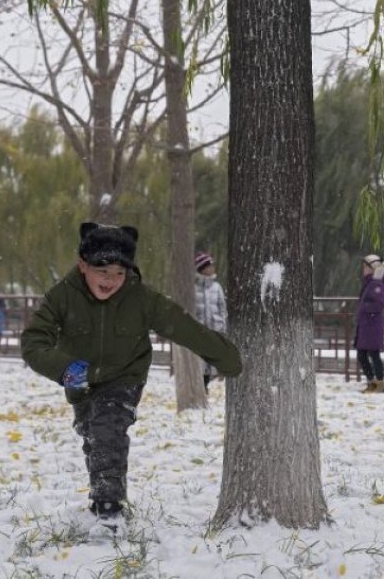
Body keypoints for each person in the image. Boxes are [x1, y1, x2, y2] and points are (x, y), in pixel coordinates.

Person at [21, 222, 241, 534]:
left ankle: (108, 508)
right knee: (92, 432)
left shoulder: (140, 298)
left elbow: (183, 326)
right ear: (83, 265)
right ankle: (103, 486)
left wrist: (226, 359)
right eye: (103, 271)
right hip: (79, 380)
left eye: (119, 273)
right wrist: (64, 368)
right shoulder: (62, 297)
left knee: (108, 426)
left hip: (125, 376)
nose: (111, 280)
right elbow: (33, 342)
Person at [354, 254, 384, 393]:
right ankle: (373, 383)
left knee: (372, 354)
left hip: (371, 324)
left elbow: (378, 304)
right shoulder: (370, 282)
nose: (363, 269)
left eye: (365, 267)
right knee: (364, 354)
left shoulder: (376, 284)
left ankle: (379, 384)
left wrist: (363, 307)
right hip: (367, 324)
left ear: (373, 268)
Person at [194, 250, 228, 392]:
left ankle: (207, 385)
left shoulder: (216, 287)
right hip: (200, 330)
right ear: (202, 268)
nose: (212, 269)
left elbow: (222, 308)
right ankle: (202, 387)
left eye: (212, 266)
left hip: (215, 329)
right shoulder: (194, 288)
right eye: (209, 266)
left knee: (211, 361)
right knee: (201, 360)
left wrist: (223, 325)